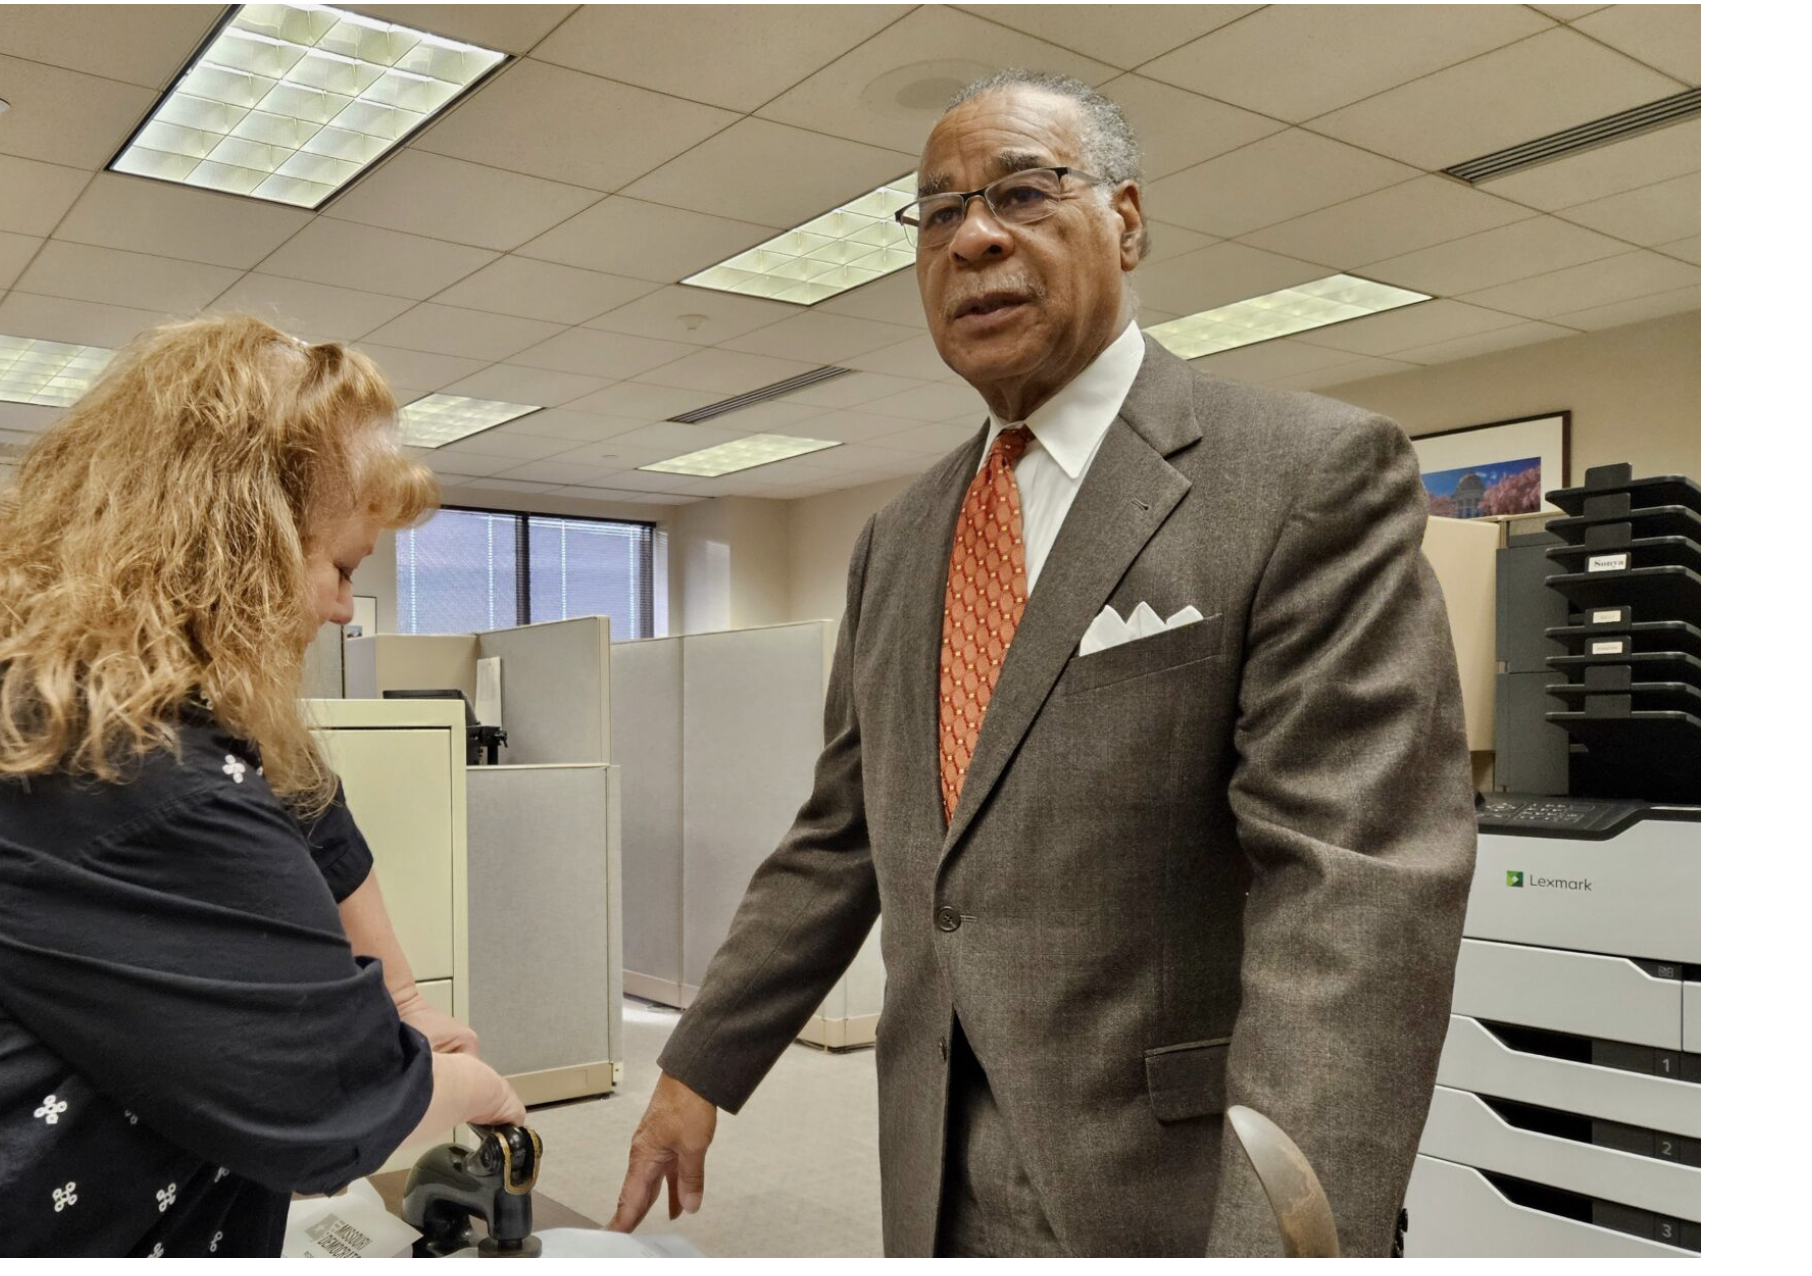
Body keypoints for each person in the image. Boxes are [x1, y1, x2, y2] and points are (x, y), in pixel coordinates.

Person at [609, 71, 1477, 1257]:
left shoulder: (1299, 478)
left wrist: (1285, 1237)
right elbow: (843, 838)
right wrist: (697, 1066)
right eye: (937, 212)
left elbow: (1353, 898)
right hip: (934, 1170)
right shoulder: (901, 540)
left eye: (1023, 191)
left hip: (1176, 1186)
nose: (973, 238)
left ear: (1125, 218)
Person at [0, 315, 525, 1257]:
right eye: (340, 566)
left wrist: (403, 1001)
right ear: (239, 542)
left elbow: (304, 795)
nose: (341, 606)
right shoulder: (156, 783)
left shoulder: (65, 701)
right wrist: (480, 1091)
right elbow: (329, 1103)